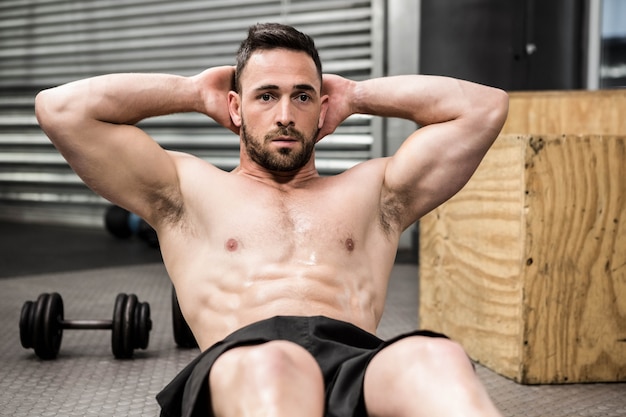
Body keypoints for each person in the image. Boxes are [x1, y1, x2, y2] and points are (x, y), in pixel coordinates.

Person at [35, 22, 508, 417]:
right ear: (236, 108)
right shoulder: (184, 191)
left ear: (323, 109)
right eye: (266, 96)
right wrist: (195, 92)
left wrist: (358, 95)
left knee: (436, 355)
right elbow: (61, 109)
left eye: (302, 97)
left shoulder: (376, 194)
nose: (285, 115)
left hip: (352, 364)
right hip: (245, 365)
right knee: (278, 366)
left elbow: (485, 107)